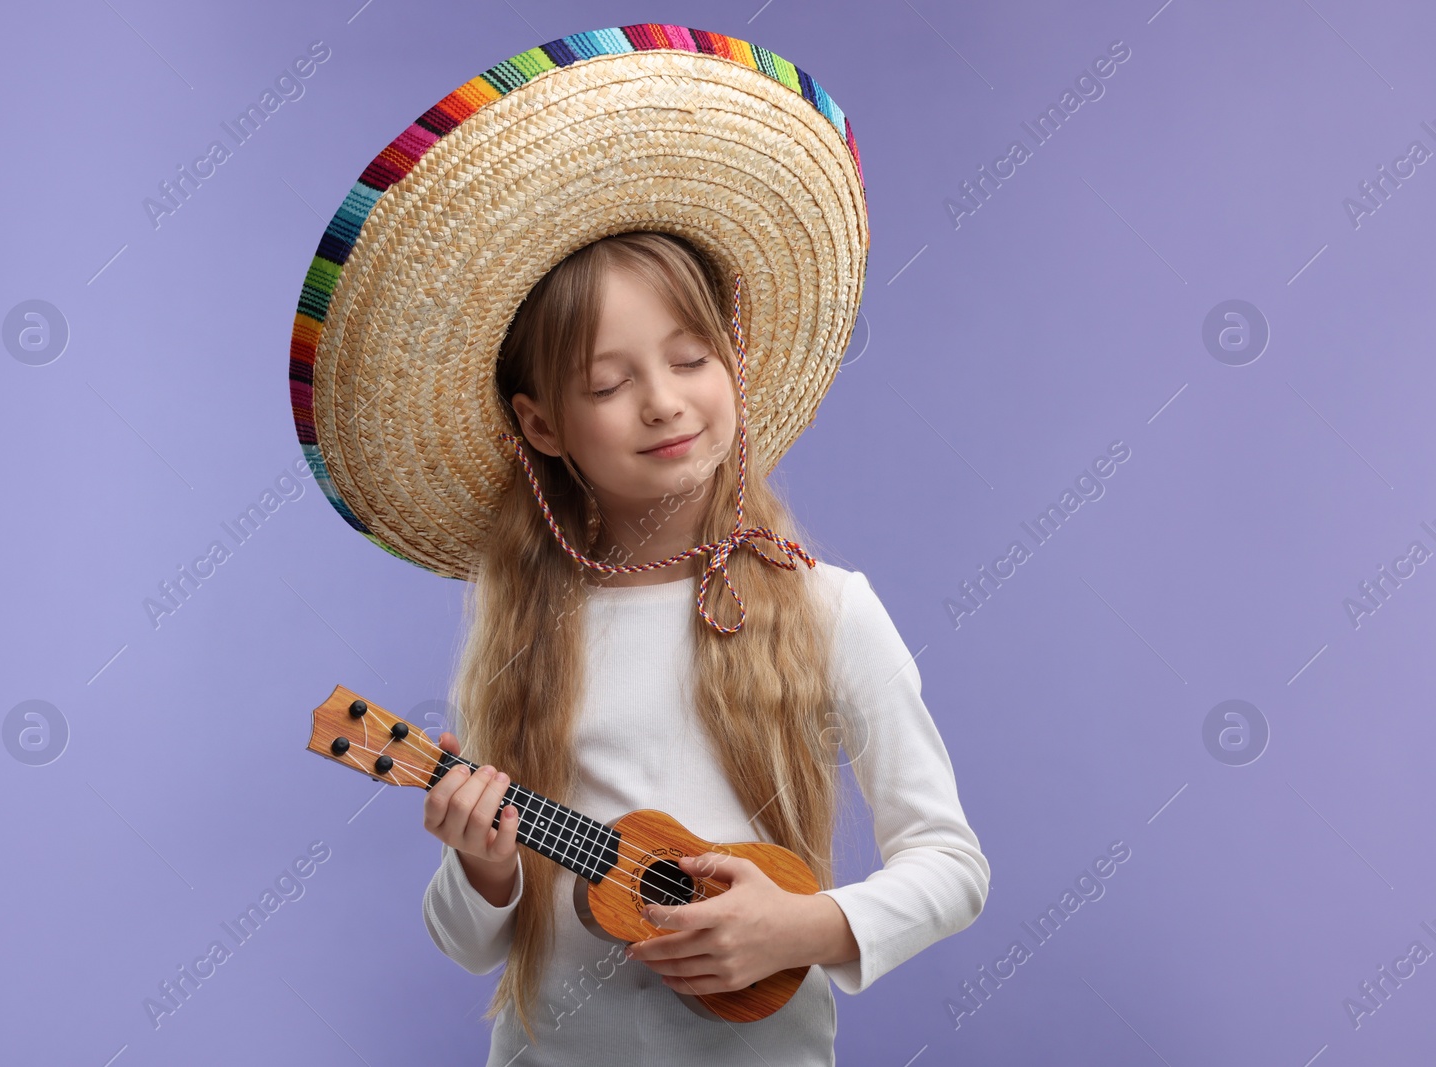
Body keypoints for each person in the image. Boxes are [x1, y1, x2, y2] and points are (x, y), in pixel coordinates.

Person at [286, 25, 988, 1066]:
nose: (663, 402)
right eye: (609, 384)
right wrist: (482, 870)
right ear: (540, 426)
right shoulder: (525, 625)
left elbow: (950, 862)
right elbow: (463, 938)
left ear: (735, 365)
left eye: (691, 356)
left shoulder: (824, 609)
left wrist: (801, 926)